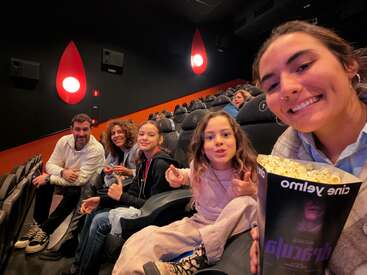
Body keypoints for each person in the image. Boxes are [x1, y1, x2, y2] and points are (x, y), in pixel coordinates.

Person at [249, 20, 367, 275]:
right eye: (271, 86)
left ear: (348, 64)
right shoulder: (285, 149)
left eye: (303, 66)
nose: (287, 89)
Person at [113, 111, 258, 275]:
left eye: (225, 135)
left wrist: (253, 191)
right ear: (202, 146)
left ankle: (196, 260)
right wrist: (179, 177)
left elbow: (270, 203)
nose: (218, 142)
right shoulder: (199, 165)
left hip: (231, 229)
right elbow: (189, 174)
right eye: (210, 137)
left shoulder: (250, 169)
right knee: (143, 239)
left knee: (246, 203)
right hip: (199, 224)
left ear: (237, 140)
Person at [63, 120, 179, 275]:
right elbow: (134, 193)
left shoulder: (161, 165)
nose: (144, 138)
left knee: (100, 220)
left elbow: (154, 207)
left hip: (153, 218)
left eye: (151, 135)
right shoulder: (144, 161)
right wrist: (100, 200)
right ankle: (78, 268)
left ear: (160, 139)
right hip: (141, 209)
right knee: (94, 214)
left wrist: (121, 196)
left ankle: (85, 272)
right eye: (142, 134)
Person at [15, 113, 105, 254]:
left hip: (86, 189)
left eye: (85, 129)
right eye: (77, 129)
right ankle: (37, 224)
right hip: (67, 179)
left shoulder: (96, 149)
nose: (81, 133)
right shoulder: (64, 141)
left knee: (72, 190)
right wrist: (63, 172)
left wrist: (50, 177)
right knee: (44, 183)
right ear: (71, 129)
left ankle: (45, 230)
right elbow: (50, 165)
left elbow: (81, 180)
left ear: (90, 129)